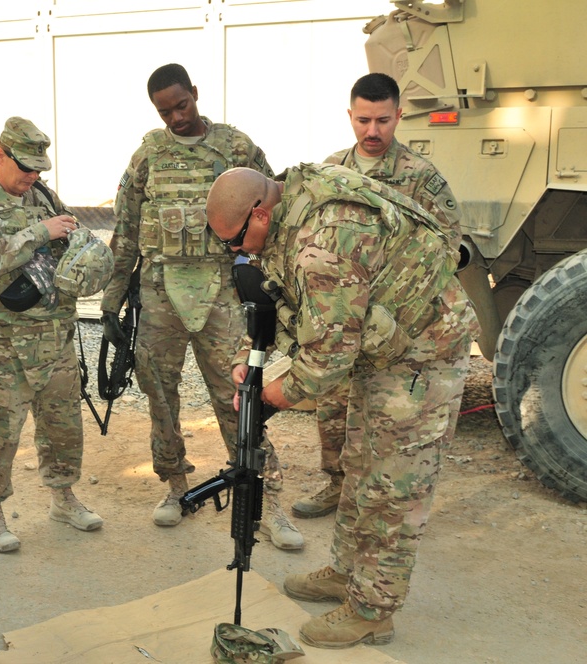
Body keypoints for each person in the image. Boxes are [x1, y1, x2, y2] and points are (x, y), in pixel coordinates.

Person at [205, 165, 478, 648]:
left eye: (236, 240)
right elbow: (294, 302)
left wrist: (269, 397)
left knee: (392, 485)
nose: (236, 251)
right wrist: (249, 359)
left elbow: (326, 359)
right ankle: (349, 574)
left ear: (260, 214)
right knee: (359, 465)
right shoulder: (295, 199)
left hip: (423, 354)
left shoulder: (323, 243)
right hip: (383, 344)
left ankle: (373, 611)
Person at [99, 63, 303, 549]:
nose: (175, 117)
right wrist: (110, 301)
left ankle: (269, 504)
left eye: (181, 105)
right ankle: (176, 488)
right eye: (164, 111)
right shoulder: (147, 156)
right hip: (160, 295)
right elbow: (126, 230)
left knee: (239, 398)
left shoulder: (236, 148)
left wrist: (275, 287)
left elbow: (269, 215)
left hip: (222, 296)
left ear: (195, 93)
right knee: (161, 400)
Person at [292, 72, 463, 520]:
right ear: (350, 115)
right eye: (363, 120)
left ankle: (378, 496)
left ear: (399, 116)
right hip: (342, 317)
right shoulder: (332, 171)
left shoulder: (423, 179)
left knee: (382, 417)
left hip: (392, 325)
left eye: (383, 120)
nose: (373, 131)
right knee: (332, 405)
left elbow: (446, 252)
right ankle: (336, 484)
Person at [0, 116, 107, 553]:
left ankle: (63, 497)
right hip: (2, 344)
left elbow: (67, 243)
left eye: (39, 169)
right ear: (0, 153)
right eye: (26, 167)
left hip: (53, 336)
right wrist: (42, 232)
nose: (33, 176)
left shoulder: (42, 195)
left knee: (62, 426)